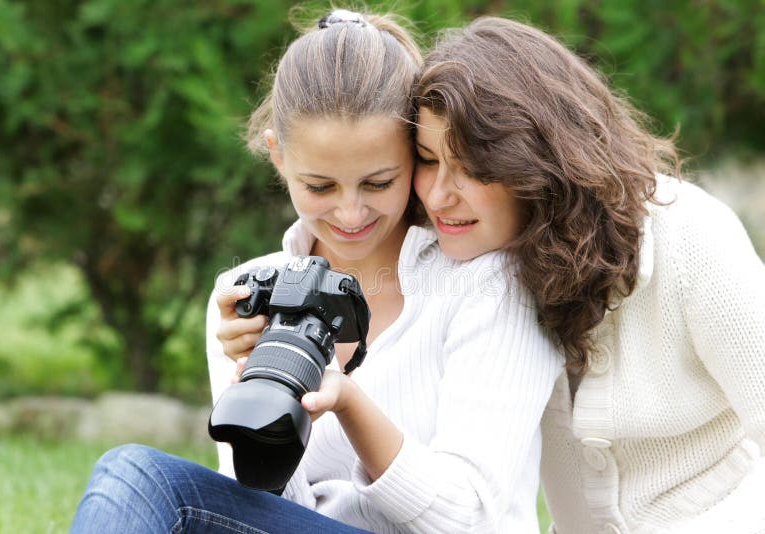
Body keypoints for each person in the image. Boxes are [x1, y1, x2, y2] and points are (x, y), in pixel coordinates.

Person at [70, 9, 563, 534]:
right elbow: (264, 507)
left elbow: (470, 519)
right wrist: (260, 388)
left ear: (414, 155)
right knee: (133, 477)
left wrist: (349, 404)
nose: (350, 215)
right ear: (279, 158)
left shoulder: (487, 284)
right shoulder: (249, 294)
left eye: (378, 183)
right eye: (321, 187)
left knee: (135, 476)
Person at [412, 16, 765, 534]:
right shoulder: (457, 271)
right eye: (426, 159)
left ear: (539, 162)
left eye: (470, 167)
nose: (439, 195)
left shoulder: (689, 234)